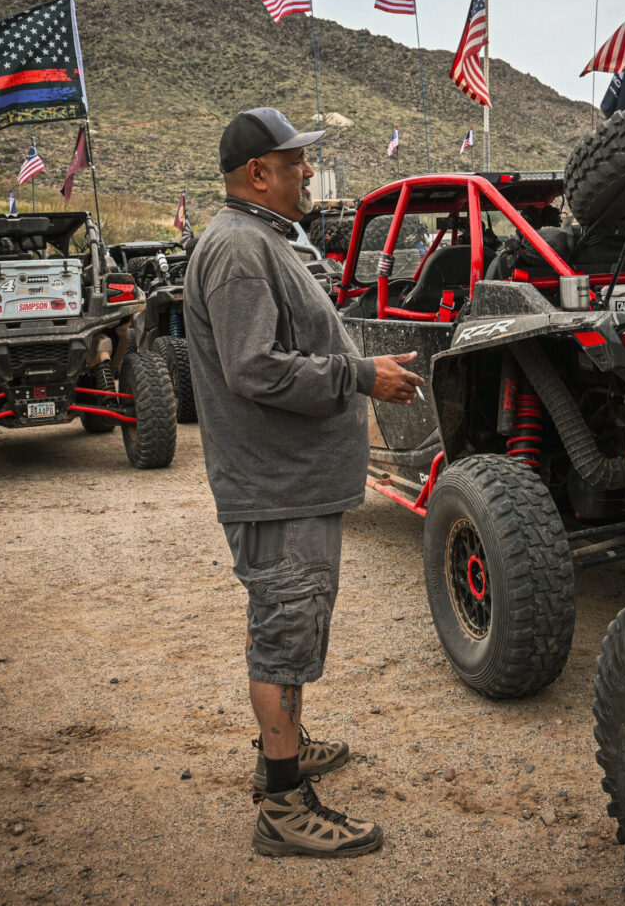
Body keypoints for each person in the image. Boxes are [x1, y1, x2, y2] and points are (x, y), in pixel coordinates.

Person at [183, 107, 423, 857]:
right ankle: (284, 806)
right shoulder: (238, 249)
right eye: (295, 162)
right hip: (275, 485)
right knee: (284, 633)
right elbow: (253, 367)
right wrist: (361, 374)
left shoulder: (259, 239)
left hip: (292, 480)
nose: (308, 171)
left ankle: (281, 745)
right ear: (259, 174)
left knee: (294, 620)